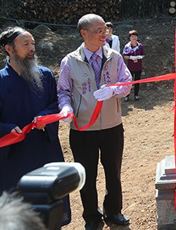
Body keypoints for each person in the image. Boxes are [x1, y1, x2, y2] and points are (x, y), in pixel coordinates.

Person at [57, 14, 132, 230]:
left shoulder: (115, 57)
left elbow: (127, 82)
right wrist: (66, 108)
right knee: (86, 174)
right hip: (83, 129)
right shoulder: (70, 61)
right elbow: (63, 91)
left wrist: (113, 91)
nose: (104, 34)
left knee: (113, 171)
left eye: (105, 30)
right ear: (84, 33)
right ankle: (91, 216)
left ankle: (114, 211)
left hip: (112, 126)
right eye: (98, 30)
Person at [0, 27, 71, 225]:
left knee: (51, 200)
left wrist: (44, 117)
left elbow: (54, 104)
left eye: (33, 43)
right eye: (26, 44)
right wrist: (7, 129)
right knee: (18, 208)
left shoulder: (44, 75)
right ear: (9, 49)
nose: (32, 48)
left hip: (45, 149)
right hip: (14, 155)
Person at [122, 30, 146, 101]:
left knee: (137, 81)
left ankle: (136, 95)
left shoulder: (140, 46)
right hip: (130, 67)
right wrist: (131, 58)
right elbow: (125, 56)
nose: (134, 38)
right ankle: (127, 95)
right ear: (130, 38)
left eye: (135, 36)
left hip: (138, 66)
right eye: (132, 36)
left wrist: (139, 57)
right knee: (129, 82)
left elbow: (143, 54)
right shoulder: (127, 46)